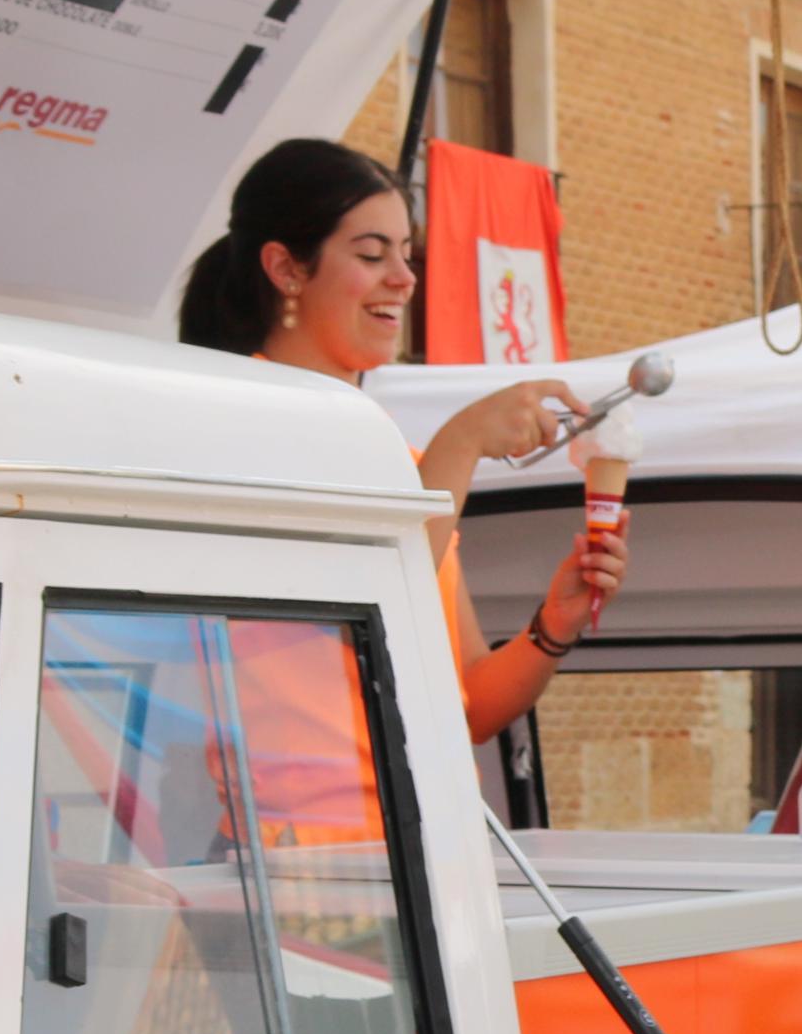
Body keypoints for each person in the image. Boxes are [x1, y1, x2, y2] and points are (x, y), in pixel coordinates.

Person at [176, 138, 619, 744]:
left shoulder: (409, 464)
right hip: (286, 833)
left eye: (407, 254)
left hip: (408, 835)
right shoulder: (230, 430)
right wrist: (461, 443)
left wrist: (554, 624)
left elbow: (464, 708)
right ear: (285, 269)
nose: (405, 279)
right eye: (371, 254)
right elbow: (355, 609)